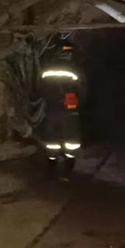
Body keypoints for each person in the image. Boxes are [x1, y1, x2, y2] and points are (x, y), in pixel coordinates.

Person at [37, 42, 84, 179]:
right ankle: (68, 169)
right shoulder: (74, 70)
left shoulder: (47, 70)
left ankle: (52, 168)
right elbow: (82, 90)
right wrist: (79, 105)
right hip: (70, 111)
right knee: (71, 140)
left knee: (52, 140)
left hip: (52, 109)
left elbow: (40, 89)